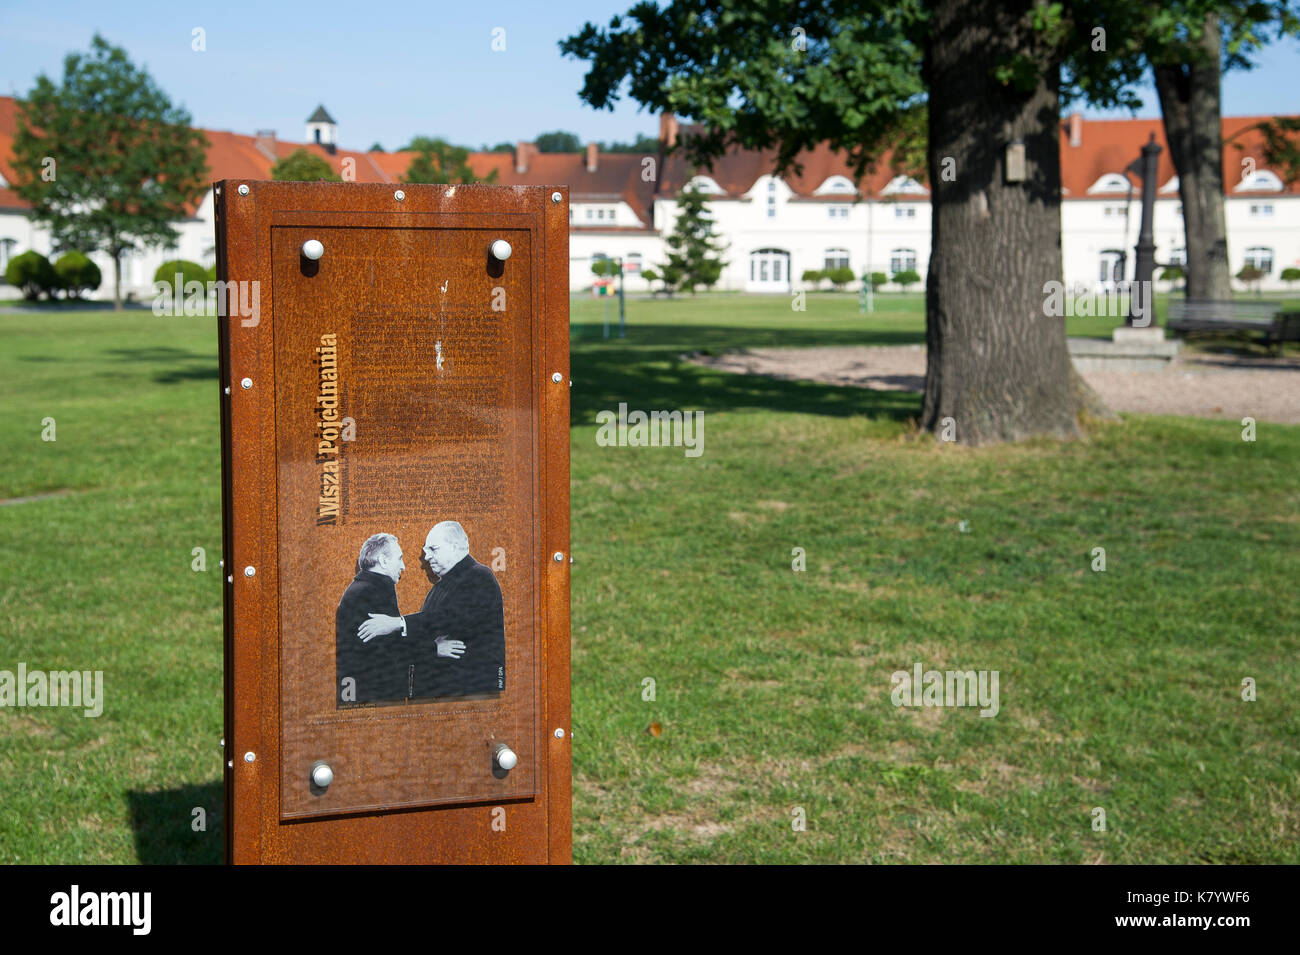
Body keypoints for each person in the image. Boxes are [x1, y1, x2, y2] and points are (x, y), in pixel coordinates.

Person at [358, 521, 504, 699]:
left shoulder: (479, 576)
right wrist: (432, 648)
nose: (427, 557)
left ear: (455, 547)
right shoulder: (443, 585)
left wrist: (397, 623)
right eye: (426, 550)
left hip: (467, 695)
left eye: (433, 549)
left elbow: (450, 618)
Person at [335, 533, 409, 705]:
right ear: (383, 561)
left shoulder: (365, 588)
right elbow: (392, 650)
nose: (403, 566)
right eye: (399, 558)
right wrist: (434, 648)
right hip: (374, 700)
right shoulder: (371, 592)